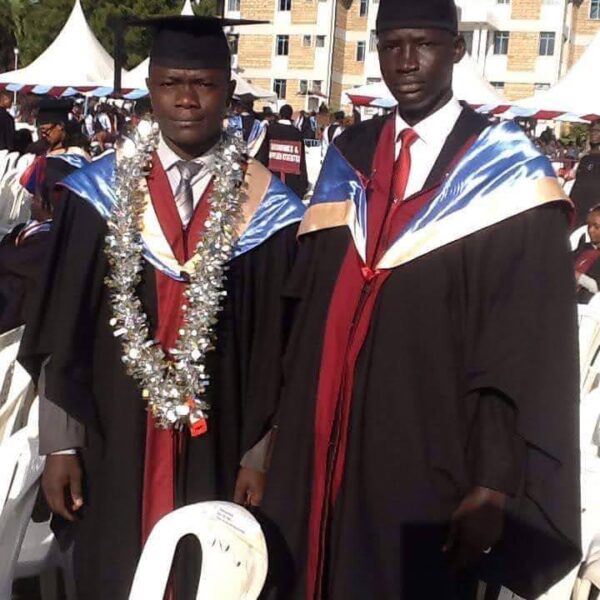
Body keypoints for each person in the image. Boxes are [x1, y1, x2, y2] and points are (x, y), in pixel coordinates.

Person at [261, 1, 580, 599]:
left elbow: (521, 351)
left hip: (431, 446)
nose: (406, 61)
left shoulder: (506, 173)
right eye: (391, 45)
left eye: (424, 44)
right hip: (321, 435)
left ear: (456, 50)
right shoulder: (349, 156)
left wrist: (493, 482)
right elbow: (303, 313)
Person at [19, 15, 305, 600]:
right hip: (112, 433)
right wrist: (61, 444)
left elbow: (280, 347)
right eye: (171, 83)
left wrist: (260, 456)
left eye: (204, 84)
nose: (187, 99)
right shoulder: (95, 195)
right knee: (114, 569)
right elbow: (63, 329)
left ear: (228, 90)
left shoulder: (270, 211)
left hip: (221, 434)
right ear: (150, 88)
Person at [267, 104, 309, 199]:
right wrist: (303, 183)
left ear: (280, 115)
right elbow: (301, 159)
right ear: (290, 116)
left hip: (272, 177)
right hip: (291, 180)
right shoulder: (297, 133)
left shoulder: (270, 129)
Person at [571, 119, 600, 227]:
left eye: (597, 131)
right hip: (580, 209)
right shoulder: (585, 159)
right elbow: (578, 184)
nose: (593, 133)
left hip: (595, 211)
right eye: (591, 130)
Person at [575, 205, 600, 303]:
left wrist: (579, 277)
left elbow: (596, 288)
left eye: (596, 227)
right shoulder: (583, 249)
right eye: (589, 225)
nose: (590, 230)